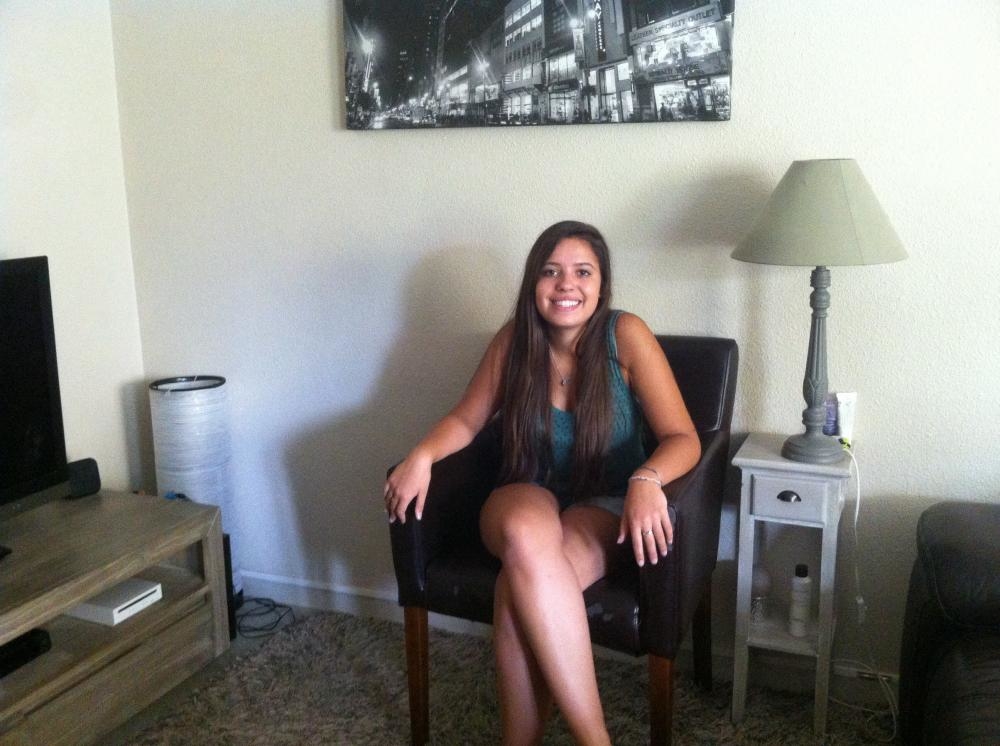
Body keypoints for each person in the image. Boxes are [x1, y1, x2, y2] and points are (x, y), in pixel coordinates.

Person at [384, 221, 700, 745]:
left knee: (519, 586)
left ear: (602, 284)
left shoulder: (626, 336)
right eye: (551, 272)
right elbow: (466, 419)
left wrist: (648, 478)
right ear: (534, 282)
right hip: (524, 488)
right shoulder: (513, 341)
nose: (566, 284)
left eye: (582, 272)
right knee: (526, 537)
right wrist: (421, 455)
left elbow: (683, 437)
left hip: (604, 502)